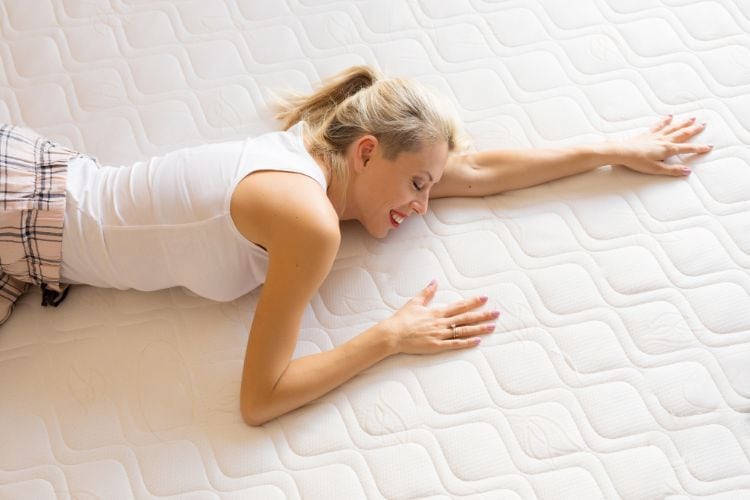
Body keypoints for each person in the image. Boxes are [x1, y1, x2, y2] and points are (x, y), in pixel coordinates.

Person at [0, 66, 711, 426]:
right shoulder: (307, 220)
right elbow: (260, 397)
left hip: (41, 200)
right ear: (367, 151)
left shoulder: (319, 157)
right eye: (417, 184)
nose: (425, 203)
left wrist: (612, 147)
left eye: (429, 187)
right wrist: (390, 336)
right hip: (21, 217)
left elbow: (479, 170)